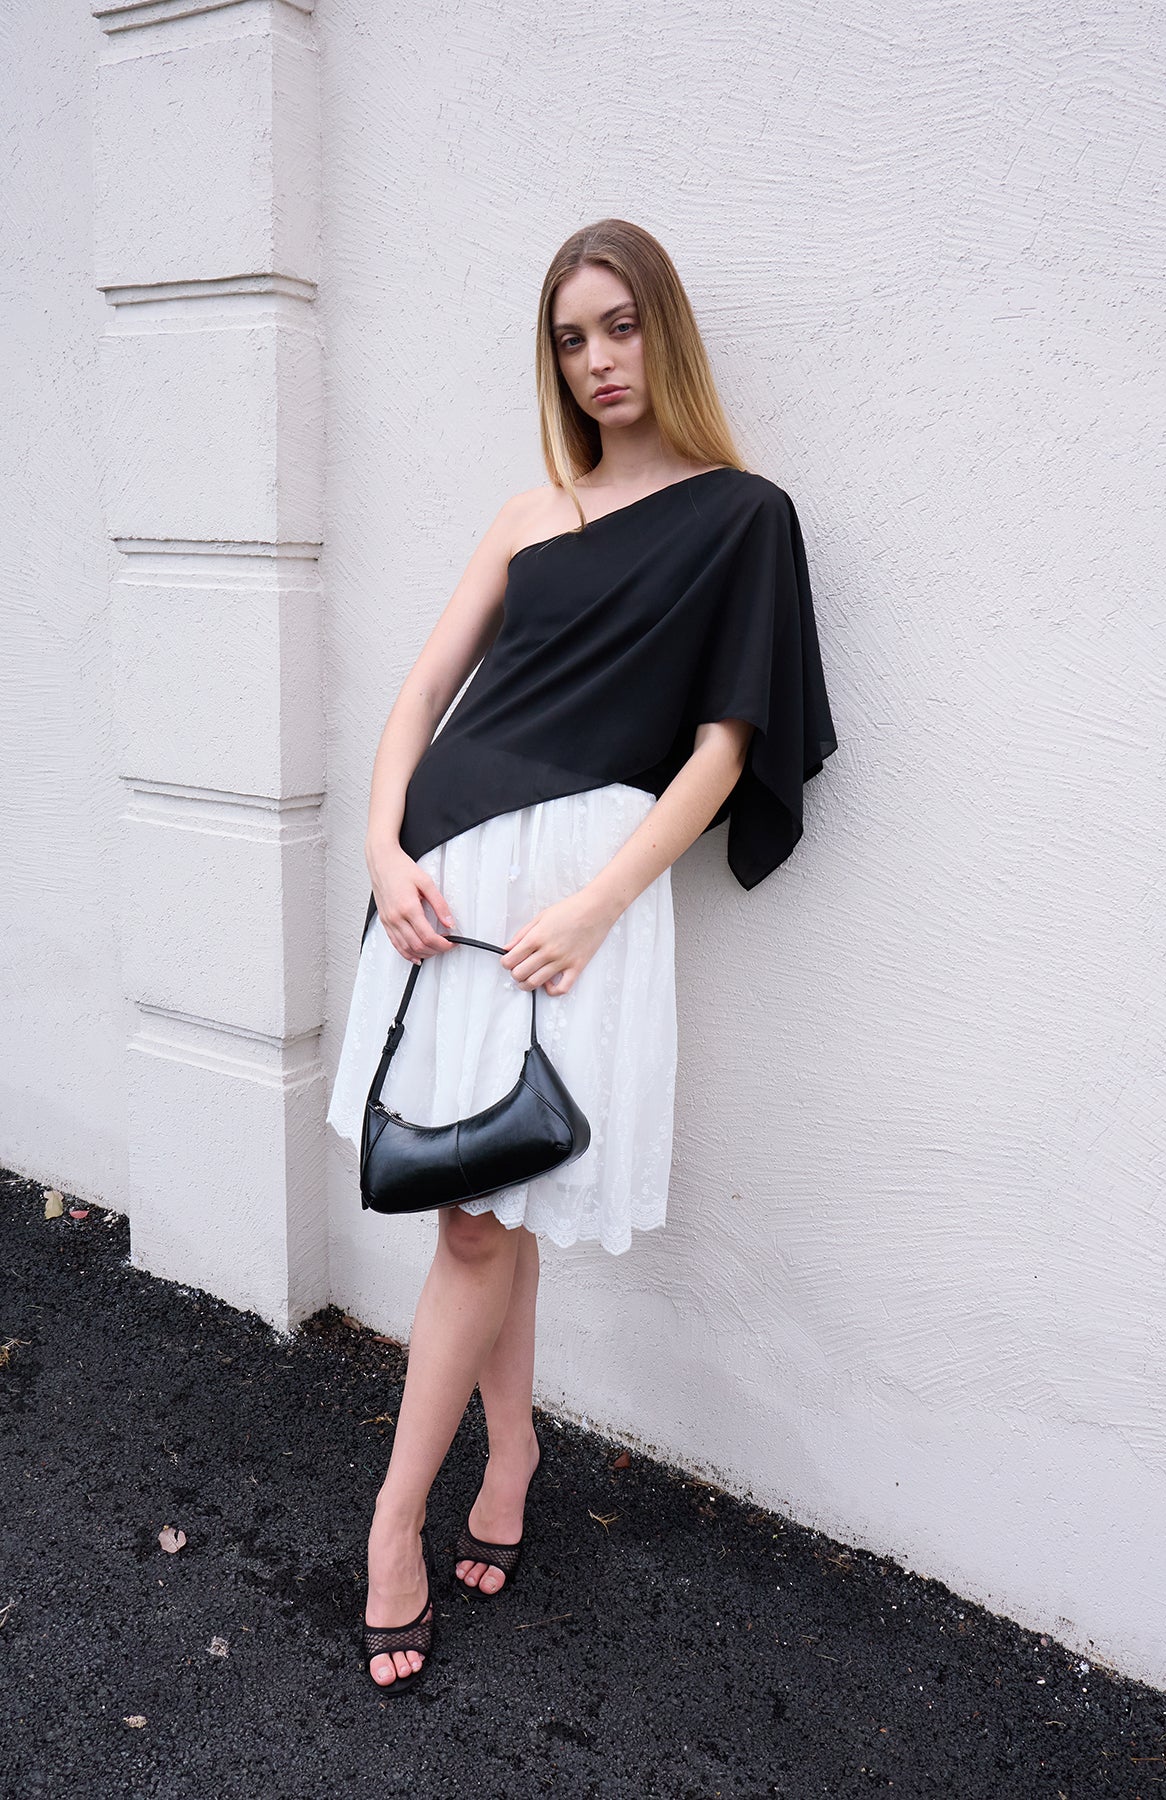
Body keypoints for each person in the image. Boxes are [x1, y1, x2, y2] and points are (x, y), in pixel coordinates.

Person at [324, 218, 838, 1692]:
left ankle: (396, 1520)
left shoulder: (744, 518)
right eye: (570, 338)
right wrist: (381, 849)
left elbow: (725, 746)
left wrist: (602, 904)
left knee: (491, 1209)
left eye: (620, 326)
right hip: (441, 886)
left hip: (574, 900)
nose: (599, 360)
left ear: (664, 330)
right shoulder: (528, 514)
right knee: (482, 1211)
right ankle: (507, 1455)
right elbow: (422, 693)